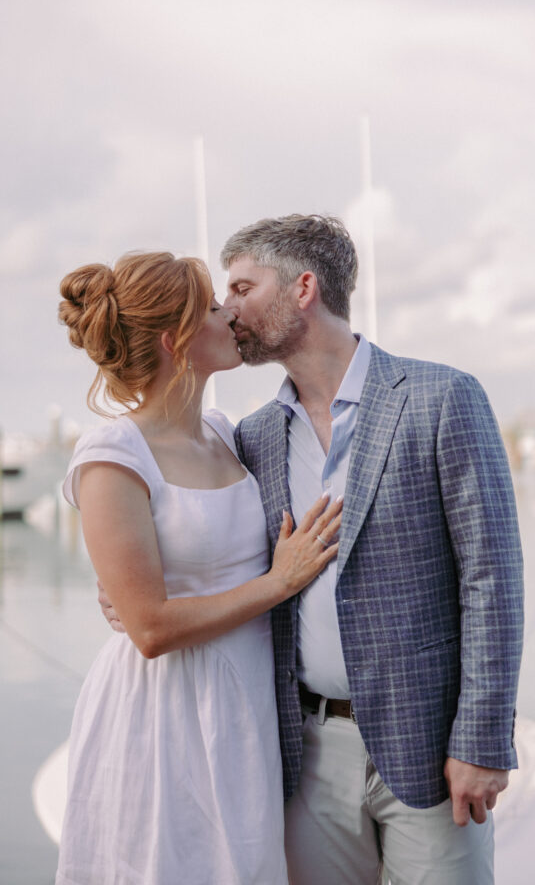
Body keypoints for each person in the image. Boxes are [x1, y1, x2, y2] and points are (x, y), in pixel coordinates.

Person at [218, 214, 525, 885]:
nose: (225, 307)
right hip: (301, 754)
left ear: (303, 287)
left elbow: (491, 580)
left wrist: (481, 738)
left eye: (242, 287)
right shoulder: (255, 437)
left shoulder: (443, 398)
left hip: (433, 748)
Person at [56, 250, 342, 885]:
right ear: (174, 338)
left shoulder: (222, 432)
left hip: (244, 703)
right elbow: (151, 629)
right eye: (214, 307)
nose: (230, 314)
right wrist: (278, 583)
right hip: (166, 712)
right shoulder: (113, 455)